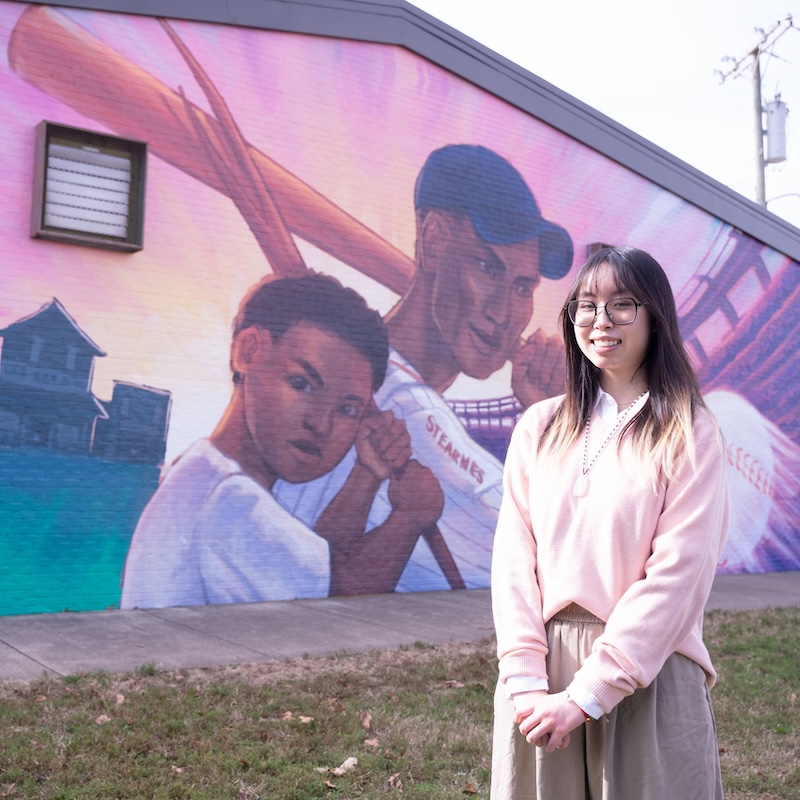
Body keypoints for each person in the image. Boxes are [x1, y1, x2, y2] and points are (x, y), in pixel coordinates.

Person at [274, 144, 574, 592]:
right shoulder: (362, 393)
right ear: (433, 241)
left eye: (521, 287)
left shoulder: (413, 402)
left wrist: (547, 414)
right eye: (488, 268)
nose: (504, 312)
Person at [491, 246, 729, 799]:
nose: (601, 321)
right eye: (587, 305)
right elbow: (512, 562)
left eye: (622, 305)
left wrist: (587, 695)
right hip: (541, 680)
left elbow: (679, 575)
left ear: (655, 318)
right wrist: (526, 679)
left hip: (648, 669)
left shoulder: (689, 430)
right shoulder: (539, 426)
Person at [120, 272, 443, 609]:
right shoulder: (227, 498)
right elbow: (338, 599)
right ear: (248, 350)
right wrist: (411, 516)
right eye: (301, 384)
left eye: (347, 409)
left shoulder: (202, 473)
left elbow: (320, 561)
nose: (320, 424)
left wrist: (367, 474)